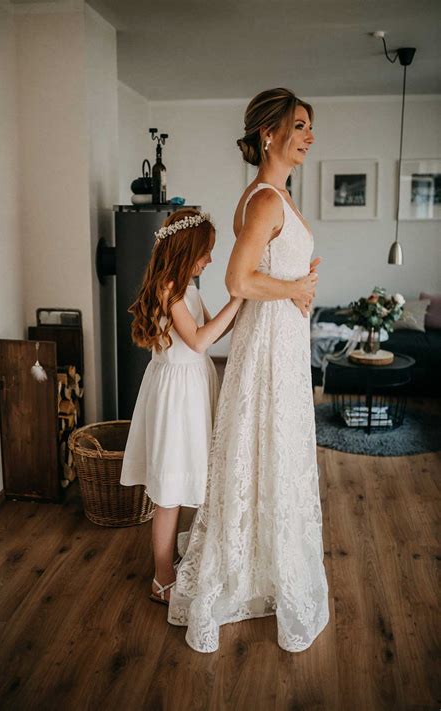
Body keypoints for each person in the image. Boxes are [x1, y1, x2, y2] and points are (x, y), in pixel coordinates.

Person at [168, 88, 330, 653]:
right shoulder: (264, 200)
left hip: (278, 339)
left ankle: (263, 562)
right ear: (270, 133)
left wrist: (298, 293)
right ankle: (251, 569)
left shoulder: (272, 197)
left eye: (311, 127)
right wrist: (295, 288)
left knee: (268, 451)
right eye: (301, 126)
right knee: (268, 447)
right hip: (269, 349)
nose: (310, 136)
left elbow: (265, 276)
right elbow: (238, 281)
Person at [120, 208, 243, 606]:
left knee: (187, 473)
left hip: (194, 386)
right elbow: (200, 339)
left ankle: (170, 556)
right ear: (184, 250)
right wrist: (237, 299)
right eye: (205, 253)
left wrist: (246, 307)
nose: (209, 260)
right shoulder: (168, 290)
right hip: (175, 395)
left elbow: (217, 329)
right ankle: (161, 576)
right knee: (169, 489)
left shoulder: (188, 287)